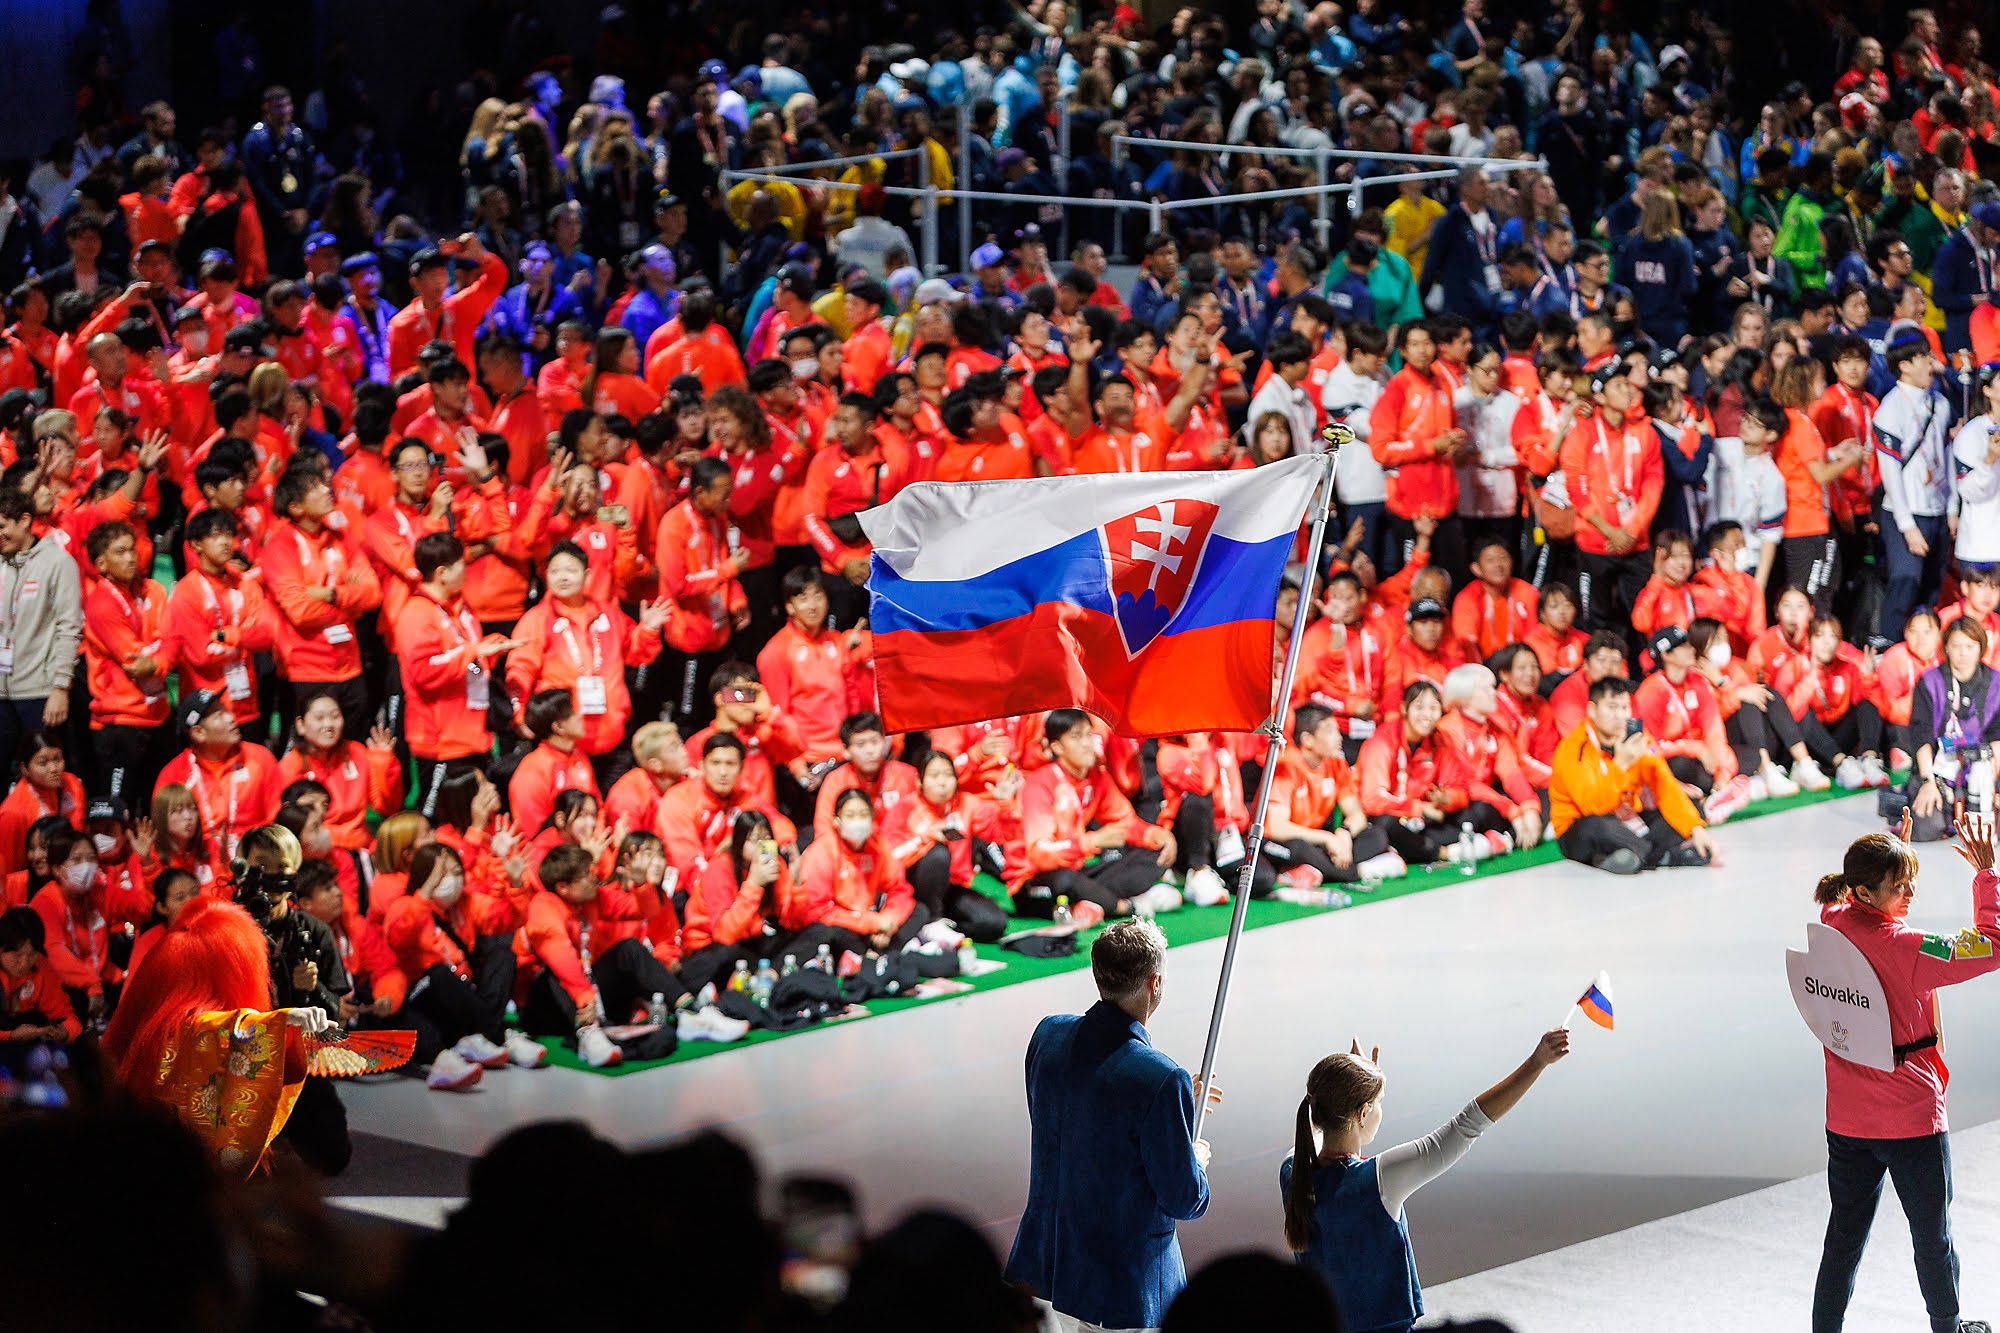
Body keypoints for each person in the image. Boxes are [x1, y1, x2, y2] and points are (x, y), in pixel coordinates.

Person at [1810, 815, 2000, 1333]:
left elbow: (1839, 901)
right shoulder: (1912, 948)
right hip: (1912, 1122)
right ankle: (1949, 1328)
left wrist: (1893, 855)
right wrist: (1986, 874)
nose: (1910, 892)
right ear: (1865, 892)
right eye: (1899, 885)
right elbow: (1992, 945)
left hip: (1846, 1120)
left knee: (1843, 1237)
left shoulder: (1833, 922)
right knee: (1932, 1238)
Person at [1282, 1025, 1571, 1333]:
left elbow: (1318, 1128)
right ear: (1363, 1113)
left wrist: (1353, 1084)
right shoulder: (1379, 1181)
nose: (1381, 1111)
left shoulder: (1291, 1173)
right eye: (1379, 1103)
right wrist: (1537, 1062)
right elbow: (1468, 1125)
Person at [1006, 918, 1220, 1333]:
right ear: (1155, 983)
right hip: (1120, 1288)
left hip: (1045, 1264)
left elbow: (1081, 1114)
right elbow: (1184, 1199)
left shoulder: (1048, 1035)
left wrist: (1172, 1110)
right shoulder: (1161, 1078)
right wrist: (1193, 1156)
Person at [99, 897, 332, 1177]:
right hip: (162, 1136)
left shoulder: (168, 950)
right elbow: (195, 1027)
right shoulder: (180, 957)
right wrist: (278, 1022)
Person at [1549, 675, 1716, 873]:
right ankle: (1661, 856)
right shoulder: (1573, 749)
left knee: (1693, 808)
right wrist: (1620, 765)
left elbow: (1665, 786)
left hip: (1629, 817)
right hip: (1583, 827)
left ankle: (1628, 854)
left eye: (1625, 707)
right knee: (1594, 826)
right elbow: (1593, 806)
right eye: (1612, 707)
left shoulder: (1638, 738)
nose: (1620, 715)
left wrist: (1695, 829)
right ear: (1592, 710)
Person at [0, 489, 83, 765]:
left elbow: (68, 628)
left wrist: (60, 688)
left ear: (24, 520)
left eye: (2, 526)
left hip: (38, 693)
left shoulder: (58, 563)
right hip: (1, 695)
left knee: (45, 775)